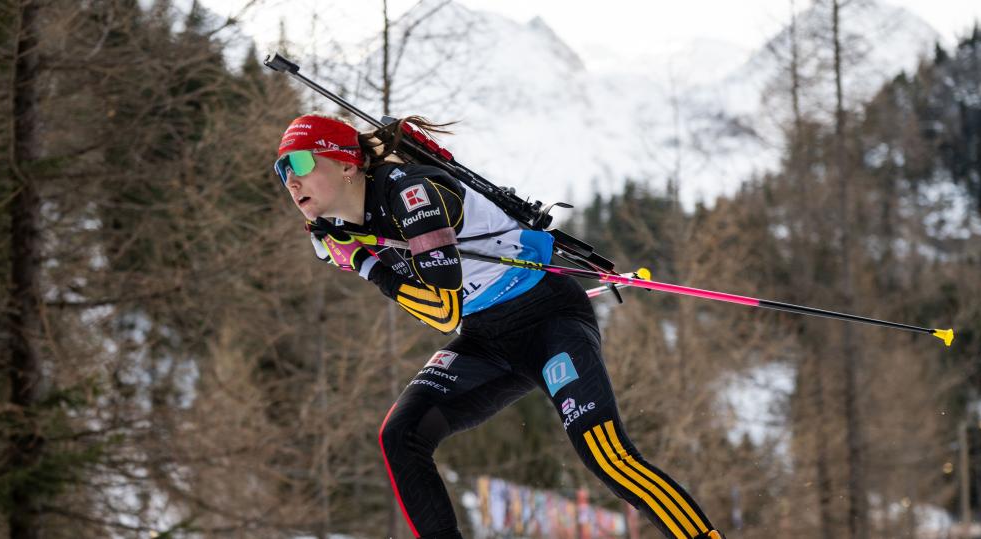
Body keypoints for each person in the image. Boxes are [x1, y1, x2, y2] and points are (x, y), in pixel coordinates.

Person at [274, 113, 723, 539]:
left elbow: (442, 311)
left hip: (548, 320)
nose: (290, 179)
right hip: (486, 339)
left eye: (299, 162)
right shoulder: (338, 225)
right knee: (401, 435)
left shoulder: (414, 195)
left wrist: (361, 262)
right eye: (281, 170)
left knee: (609, 457)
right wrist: (349, 250)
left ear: (347, 163)